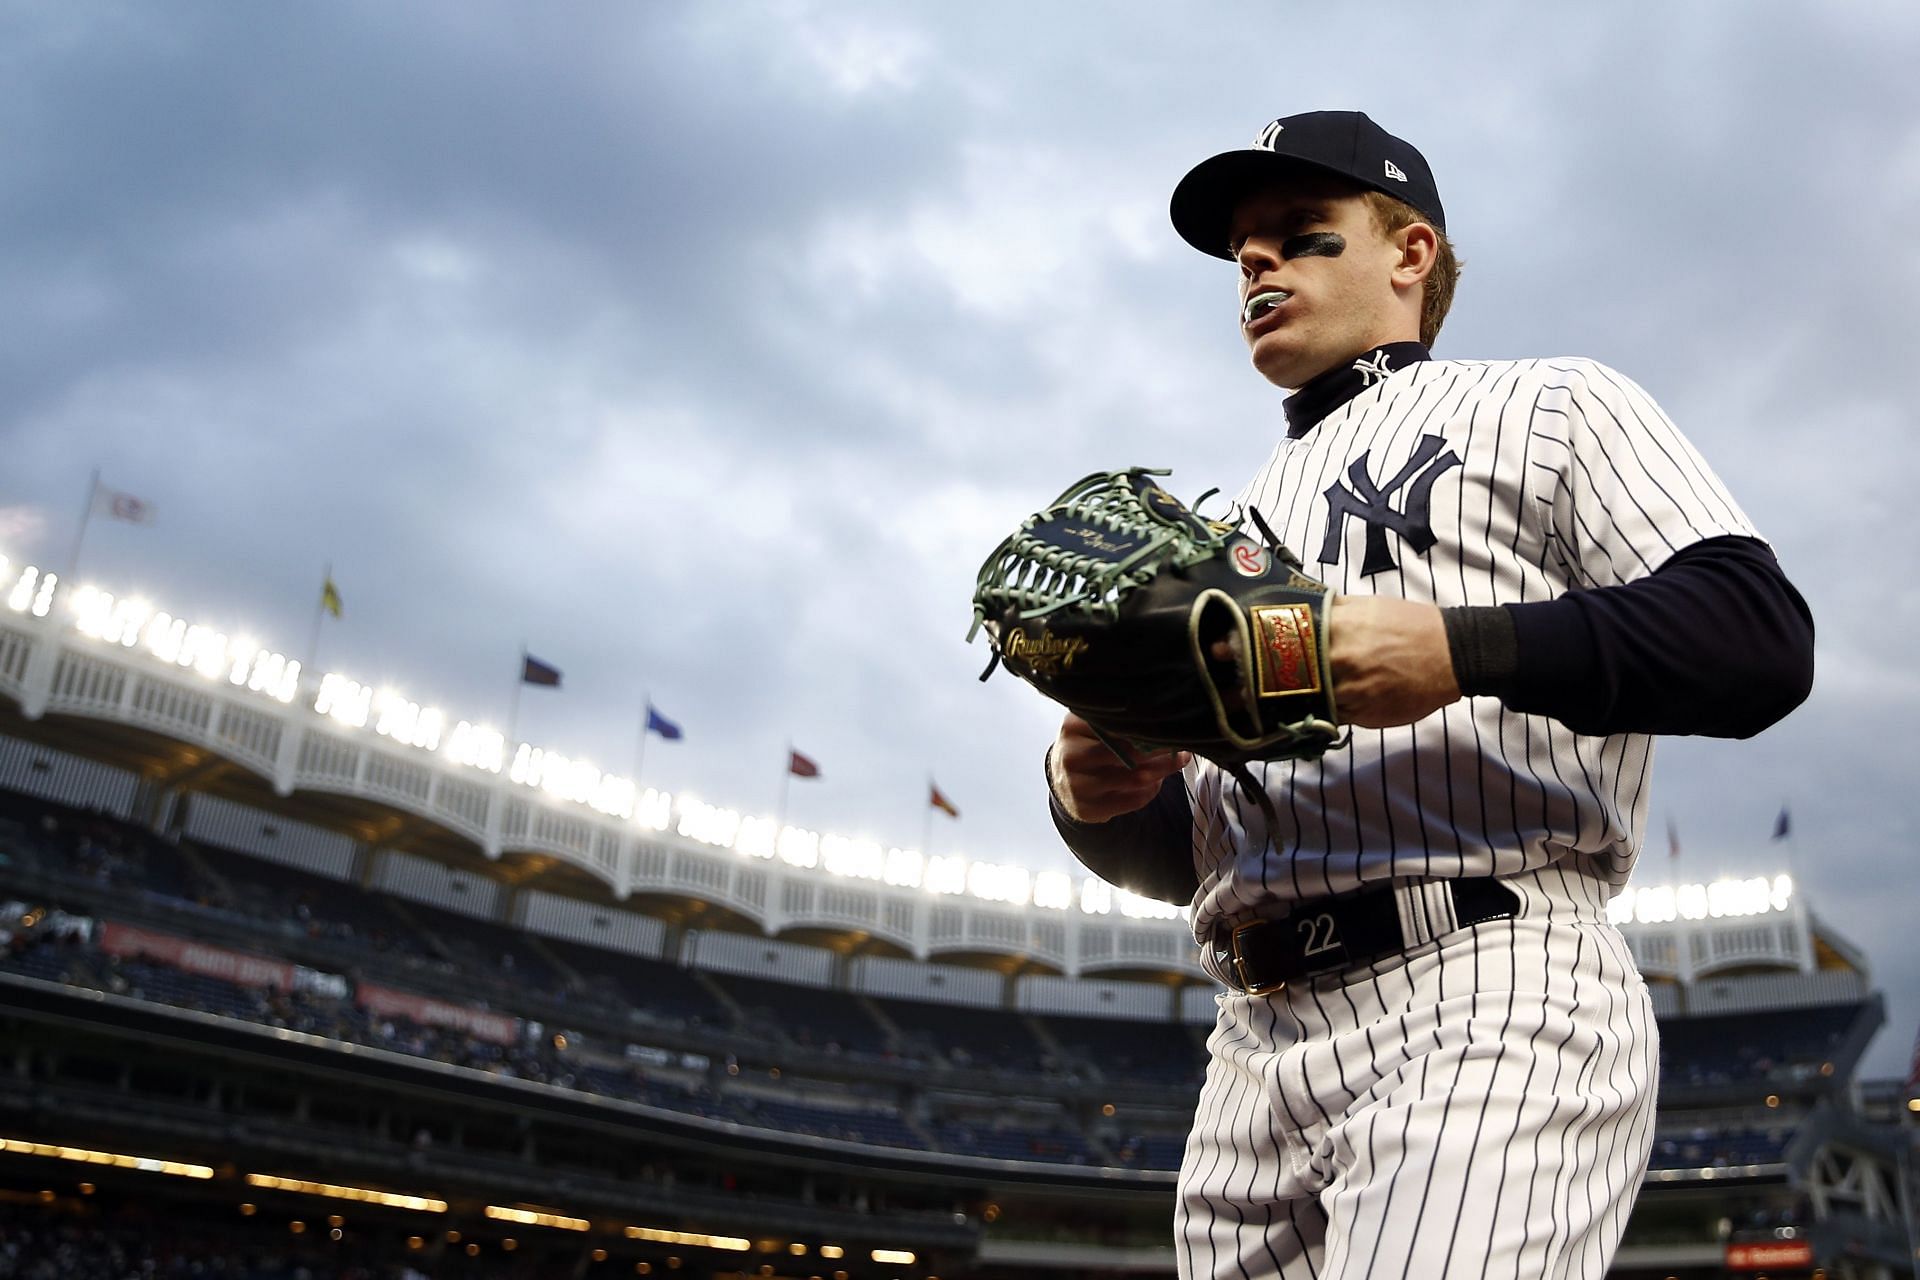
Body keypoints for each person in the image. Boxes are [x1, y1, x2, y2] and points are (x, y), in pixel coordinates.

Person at [1046, 111, 1814, 1280]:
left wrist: (1467, 647)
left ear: (1410, 254)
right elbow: (1220, 848)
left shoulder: (1548, 403)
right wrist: (1094, 800)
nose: (1256, 263)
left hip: (1486, 984)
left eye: (1302, 236)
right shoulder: (1224, 538)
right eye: (1244, 252)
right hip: (1252, 1040)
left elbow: (1755, 636)